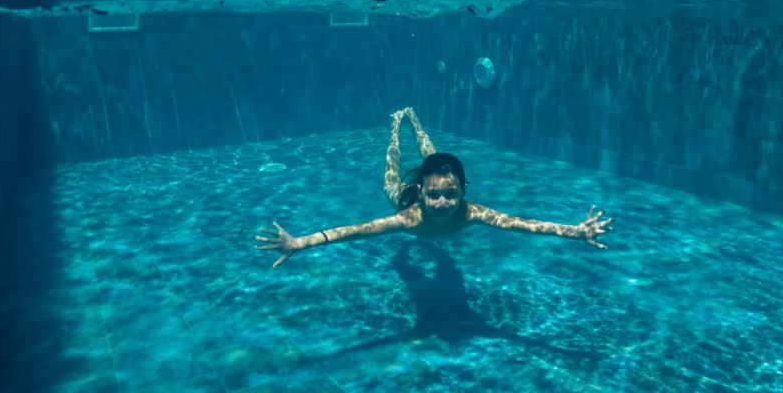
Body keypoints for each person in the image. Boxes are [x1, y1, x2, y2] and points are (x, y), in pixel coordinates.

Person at [256, 107, 613, 267]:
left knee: (436, 157)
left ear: (464, 190)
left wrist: (576, 233)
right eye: (435, 194)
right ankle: (396, 126)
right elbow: (352, 232)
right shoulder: (409, 217)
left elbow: (525, 224)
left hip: (433, 182)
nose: (443, 202)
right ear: (424, 194)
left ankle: (414, 118)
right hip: (403, 196)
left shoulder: (473, 212)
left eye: (451, 193)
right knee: (390, 175)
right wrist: (299, 243)